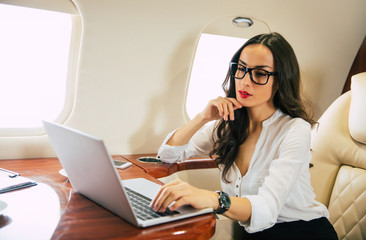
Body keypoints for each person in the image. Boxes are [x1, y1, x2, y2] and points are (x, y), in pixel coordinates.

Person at [150, 32, 338, 239]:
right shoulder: (228, 124)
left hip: (302, 232)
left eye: (259, 74)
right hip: (251, 232)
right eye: (240, 69)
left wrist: (212, 198)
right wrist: (202, 118)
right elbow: (167, 156)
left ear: (280, 81)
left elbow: (267, 207)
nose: (245, 81)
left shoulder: (295, 129)